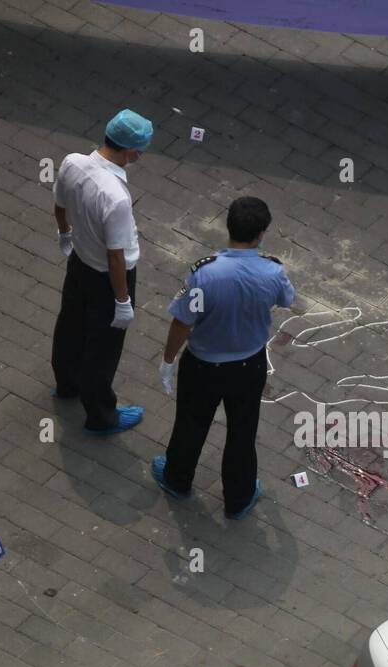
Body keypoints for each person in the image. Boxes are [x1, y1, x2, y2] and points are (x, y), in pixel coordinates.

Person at [152, 197, 296, 519]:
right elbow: (287, 300)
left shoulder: (205, 275)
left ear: (228, 226)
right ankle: (239, 497)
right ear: (261, 234)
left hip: (203, 365)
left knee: (191, 423)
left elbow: (182, 321)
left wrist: (168, 360)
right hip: (249, 366)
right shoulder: (272, 271)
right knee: (242, 431)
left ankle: (177, 479)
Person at [51, 108, 153, 434]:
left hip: (79, 262)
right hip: (107, 280)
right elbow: (115, 258)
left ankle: (67, 384)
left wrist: (65, 233)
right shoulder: (116, 197)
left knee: (70, 325)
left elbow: (59, 202)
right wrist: (122, 300)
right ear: (132, 151)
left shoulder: (72, 162)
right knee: (103, 349)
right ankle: (101, 416)